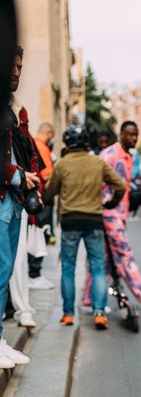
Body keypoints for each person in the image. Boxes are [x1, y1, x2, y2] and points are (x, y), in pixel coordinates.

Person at [45, 125, 126, 329]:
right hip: (94, 222)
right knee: (98, 268)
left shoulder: (62, 164)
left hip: (70, 221)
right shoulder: (97, 162)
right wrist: (111, 202)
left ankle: (68, 314)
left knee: (68, 268)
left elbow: (49, 193)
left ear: (67, 143)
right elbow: (120, 185)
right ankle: (99, 313)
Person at [90, 121, 141, 312]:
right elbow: (95, 182)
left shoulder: (129, 156)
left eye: (136, 135)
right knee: (124, 255)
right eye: (130, 134)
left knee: (104, 259)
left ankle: (89, 300)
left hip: (119, 214)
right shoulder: (109, 155)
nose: (134, 138)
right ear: (121, 134)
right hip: (108, 212)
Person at [0, 45, 40, 368]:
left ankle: (0, 340)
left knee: (5, 272)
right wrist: (18, 176)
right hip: (3, 201)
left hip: (12, 204)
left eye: (19, 67)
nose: (17, 72)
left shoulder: (10, 109)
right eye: (11, 66)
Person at [27, 121, 55, 289]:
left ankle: (33, 272)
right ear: (48, 134)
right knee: (41, 233)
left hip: (32, 198)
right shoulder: (42, 147)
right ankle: (34, 274)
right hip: (40, 198)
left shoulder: (32, 143)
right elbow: (46, 175)